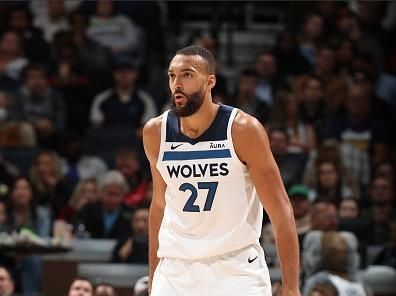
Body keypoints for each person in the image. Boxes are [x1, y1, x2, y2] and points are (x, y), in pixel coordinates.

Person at [142, 45, 299, 295]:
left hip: (236, 269)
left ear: (210, 81)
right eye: (172, 75)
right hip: (176, 271)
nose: (177, 83)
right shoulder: (155, 132)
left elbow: (281, 211)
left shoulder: (243, 130)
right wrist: (153, 280)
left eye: (187, 74)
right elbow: (159, 206)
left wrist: (292, 290)